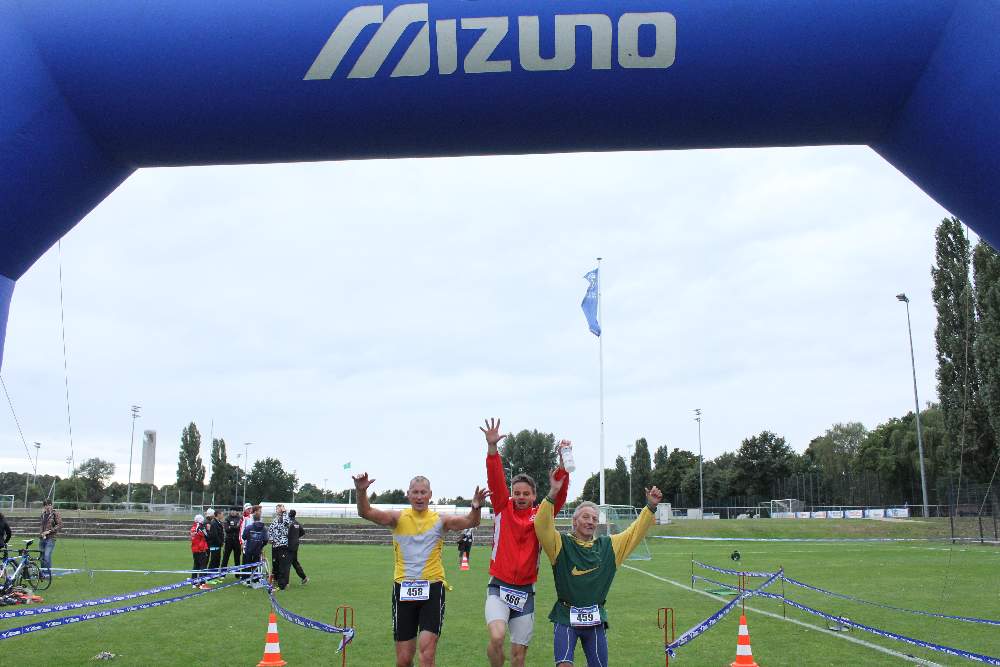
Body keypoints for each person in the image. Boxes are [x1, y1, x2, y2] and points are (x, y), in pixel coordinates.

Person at [353, 471, 488, 667]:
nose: (419, 497)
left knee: (426, 655)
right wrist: (360, 491)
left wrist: (476, 507)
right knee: (403, 660)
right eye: (415, 492)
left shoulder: (440, 520)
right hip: (403, 589)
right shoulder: (397, 518)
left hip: (432, 589)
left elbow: (471, 521)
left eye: (423, 492)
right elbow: (365, 512)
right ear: (408, 494)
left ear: (430, 495)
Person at [535, 470, 662, 667]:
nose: (590, 522)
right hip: (566, 616)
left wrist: (650, 507)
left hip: (595, 619)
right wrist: (553, 493)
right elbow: (542, 524)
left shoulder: (609, 547)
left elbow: (634, 533)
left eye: (594, 519)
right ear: (574, 521)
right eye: (585, 517)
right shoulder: (559, 544)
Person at [481, 417, 570, 667]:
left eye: (526, 493)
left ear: (534, 496)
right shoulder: (502, 507)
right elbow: (495, 479)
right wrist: (492, 449)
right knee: (497, 636)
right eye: (517, 493)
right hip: (499, 587)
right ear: (511, 494)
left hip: (525, 592)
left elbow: (559, 495)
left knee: (519, 657)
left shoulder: (541, 514)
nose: (520, 497)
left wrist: (562, 467)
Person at [242, 508, 269, 588]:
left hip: (249, 548)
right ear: (260, 518)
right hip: (258, 549)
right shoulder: (264, 528)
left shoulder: (249, 527)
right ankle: (255, 580)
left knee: (248, 564)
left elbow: (244, 537)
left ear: (253, 519)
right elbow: (266, 540)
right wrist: (261, 546)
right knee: (256, 565)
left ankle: (247, 581)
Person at [267, 503, 292, 591]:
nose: (277, 510)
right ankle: (276, 581)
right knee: (275, 564)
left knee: (282, 565)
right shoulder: (275, 520)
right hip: (275, 546)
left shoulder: (286, 518)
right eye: (276, 509)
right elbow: (270, 530)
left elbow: (287, 523)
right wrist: (271, 538)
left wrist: (285, 512)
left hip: (282, 545)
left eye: (278, 508)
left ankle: (282, 586)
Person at [38, 499, 62, 573]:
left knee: (47, 556)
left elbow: (59, 525)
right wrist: (41, 534)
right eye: (46, 505)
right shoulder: (43, 514)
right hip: (42, 538)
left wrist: (49, 531)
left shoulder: (55, 514)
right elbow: (42, 525)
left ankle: (47, 574)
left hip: (50, 538)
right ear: (44, 506)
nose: (48, 506)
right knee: (42, 557)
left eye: (49, 505)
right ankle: (43, 573)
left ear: (52, 505)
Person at [189, 514, 210, 590]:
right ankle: (202, 584)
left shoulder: (193, 527)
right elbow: (207, 536)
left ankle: (194, 583)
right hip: (201, 549)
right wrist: (208, 529)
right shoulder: (201, 527)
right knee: (203, 566)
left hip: (195, 549)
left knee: (196, 565)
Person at [287, 509, 308, 585]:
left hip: (289, 545)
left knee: (287, 562)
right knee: (294, 562)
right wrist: (296, 537)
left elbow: (287, 533)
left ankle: (286, 582)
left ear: (289, 514)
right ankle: (304, 577)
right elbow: (303, 532)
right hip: (295, 544)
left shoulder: (289, 523)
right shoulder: (297, 523)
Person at [221, 507, 242, 573]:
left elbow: (239, 528)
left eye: (234, 510)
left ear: (236, 511)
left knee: (237, 558)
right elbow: (227, 529)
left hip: (237, 541)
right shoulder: (227, 518)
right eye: (232, 510)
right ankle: (223, 574)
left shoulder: (240, 518)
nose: (233, 511)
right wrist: (235, 526)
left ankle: (237, 574)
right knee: (225, 557)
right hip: (228, 541)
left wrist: (231, 526)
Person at [205, 508, 225, 579]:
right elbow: (215, 535)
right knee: (213, 561)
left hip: (218, 545)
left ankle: (214, 576)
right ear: (218, 514)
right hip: (214, 545)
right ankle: (209, 577)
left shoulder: (218, 522)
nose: (223, 515)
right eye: (222, 514)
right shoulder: (214, 523)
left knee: (217, 561)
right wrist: (220, 542)